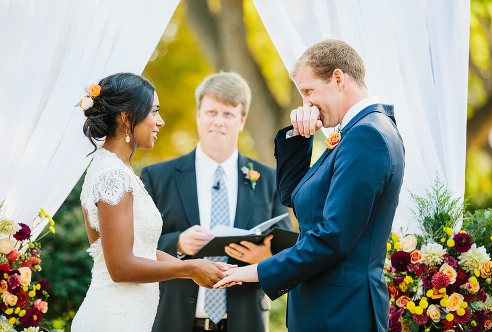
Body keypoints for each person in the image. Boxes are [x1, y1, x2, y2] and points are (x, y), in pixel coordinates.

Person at [214, 39, 405, 331]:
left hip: (340, 313)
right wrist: (300, 137)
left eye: (309, 91)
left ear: (338, 79)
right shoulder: (361, 131)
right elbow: (293, 195)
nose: (306, 104)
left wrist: (257, 271)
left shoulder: (366, 136)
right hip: (329, 308)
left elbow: (333, 238)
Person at [72, 72, 231, 331]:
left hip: (129, 316)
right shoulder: (112, 176)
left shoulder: (117, 170)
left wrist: (200, 269)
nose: (161, 121)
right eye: (154, 111)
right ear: (127, 117)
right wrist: (189, 269)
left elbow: (141, 251)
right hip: (114, 319)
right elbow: (121, 267)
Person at [141, 72, 292, 332]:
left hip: (246, 322)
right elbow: (135, 246)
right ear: (199, 115)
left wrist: (266, 257)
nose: (218, 122)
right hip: (173, 320)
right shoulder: (157, 177)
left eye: (228, 114)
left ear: (242, 121)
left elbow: (289, 247)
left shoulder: (269, 179)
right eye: (211, 112)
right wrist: (177, 243)